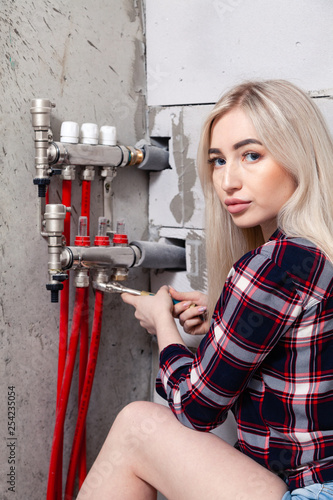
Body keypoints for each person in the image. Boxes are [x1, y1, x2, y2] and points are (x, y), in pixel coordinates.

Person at [77, 80, 333, 500]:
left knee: (136, 426)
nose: (227, 180)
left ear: (298, 157)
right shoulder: (313, 254)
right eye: (217, 160)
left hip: (305, 491)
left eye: (252, 155)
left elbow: (197, 409)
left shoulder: (272, 264)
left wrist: (163, 325)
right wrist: (223, 318)